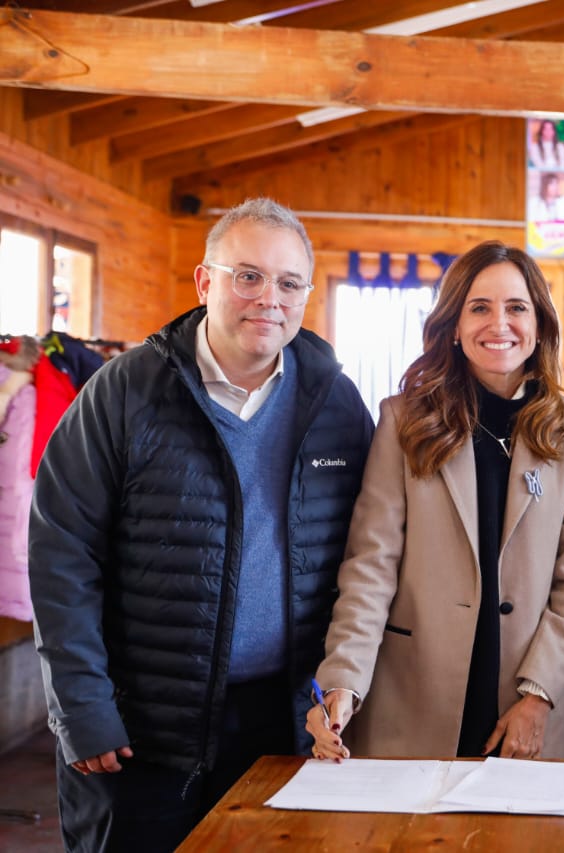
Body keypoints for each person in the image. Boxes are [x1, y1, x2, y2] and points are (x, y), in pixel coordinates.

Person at [28, 197, 374, 852]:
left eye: (289, 281)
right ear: (205, 281)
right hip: (143, 727)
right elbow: (61, 556)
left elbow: (370, 551)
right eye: (248, 275)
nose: (269, 298)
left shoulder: (335, 400)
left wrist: (342, 685)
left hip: (285, 721)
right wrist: (82, 708)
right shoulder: (125, 391)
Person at [307, 241, 564, 761]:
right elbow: (371, 566)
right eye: (480, 307)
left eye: (516, 308)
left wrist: (538, 694)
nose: (499, 324)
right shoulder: (404, 420)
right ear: (455, 324)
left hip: (526, 701)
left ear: (538, 325)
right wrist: (344, 679)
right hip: (414, 696)